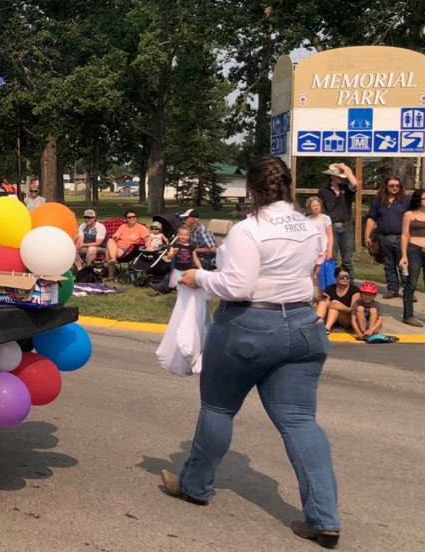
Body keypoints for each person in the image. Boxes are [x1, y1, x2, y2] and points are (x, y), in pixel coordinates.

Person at [161, 154, 340, 549]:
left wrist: (199, 276)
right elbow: (309, 270)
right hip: (303, 324)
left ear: (253, 190)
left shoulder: (248, 230)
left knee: (218, 408)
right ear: (288, 187)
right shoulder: (310, 228)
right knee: (300, 422)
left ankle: (196, 485)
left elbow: (239, 286)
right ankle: (324, 517)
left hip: (249, 326)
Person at [398, 188, 425, 327]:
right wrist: (404, 255)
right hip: (414, 250)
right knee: (411, 283)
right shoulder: (409, 214)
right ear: (417, 200)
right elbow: (404, 235)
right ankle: (408, 315)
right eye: (423, 199)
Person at [364, 177, 409, 299]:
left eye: (397, 185)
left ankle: (408, 290)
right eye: (391, 185)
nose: (394, 187)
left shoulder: (406, 201)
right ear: (386, 187)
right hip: (383, 237)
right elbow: (371, 218)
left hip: (401, 237)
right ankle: (392, 289)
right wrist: (367, 235)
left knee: (403, 264)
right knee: (388, 264)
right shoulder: (378, 201)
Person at [318, 162, 358, 277]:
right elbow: (322, 210)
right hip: (332, 227)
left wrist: (345, 168)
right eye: (338, 176)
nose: (341, 178)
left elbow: (355, 183)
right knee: (332, 258)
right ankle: (332, 284)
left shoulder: (346, 189)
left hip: (347, 226)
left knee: (347, 259)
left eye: (342, 176)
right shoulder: (323, 191)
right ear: (332, 176)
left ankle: (349, 283)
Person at [150, 226, 200, 295]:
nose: (183, 236)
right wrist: (173, 253)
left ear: (189, 236)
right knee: (179, 288)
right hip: (178, 271)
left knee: (187, 288)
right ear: (178, 235)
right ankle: (179, 301)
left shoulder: (191, 247)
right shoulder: (174, 245)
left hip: (187, 271)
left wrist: (201, 269)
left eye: (185, 235)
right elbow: (169, 256)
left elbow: (196, 259)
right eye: (181, 234)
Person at [106, 210, 149, 280]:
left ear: (136, 218)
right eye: (129, 217)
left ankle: (111, 275)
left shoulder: (141, 228)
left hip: (128, 250)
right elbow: (116, 236)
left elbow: (147, 239)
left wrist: (149, 247)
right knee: (110, 240)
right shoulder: (123, 226)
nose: (132, 218)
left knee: (108, 251)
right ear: (126, 219)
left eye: (134, 217)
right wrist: (115, 237)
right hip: (117, 248)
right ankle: (113, 260)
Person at [316, 266, 360, 332]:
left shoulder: (354, 290)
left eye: (347, 277)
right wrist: (320, 299)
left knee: (334, 303)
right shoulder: (330, 288)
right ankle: (317, 324)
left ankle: (327, 328)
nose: (345, 279)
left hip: (347, 319)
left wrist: (341, 307)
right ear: (336, 277)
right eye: (342, 277)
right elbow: (320, 302)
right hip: (332, 316)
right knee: (324, 301)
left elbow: (354, 311)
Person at [305, 196, 334, 293]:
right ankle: (308, 297)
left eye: (318, 205)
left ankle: (322, 296)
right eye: (313, 205)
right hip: (310, 251)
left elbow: (330, 235)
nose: (316, 207)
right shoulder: (306, 219)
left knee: (320, 274)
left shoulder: (326, 218)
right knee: (309, 275)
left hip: (322, 250)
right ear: (309, 207)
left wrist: (329, 250)